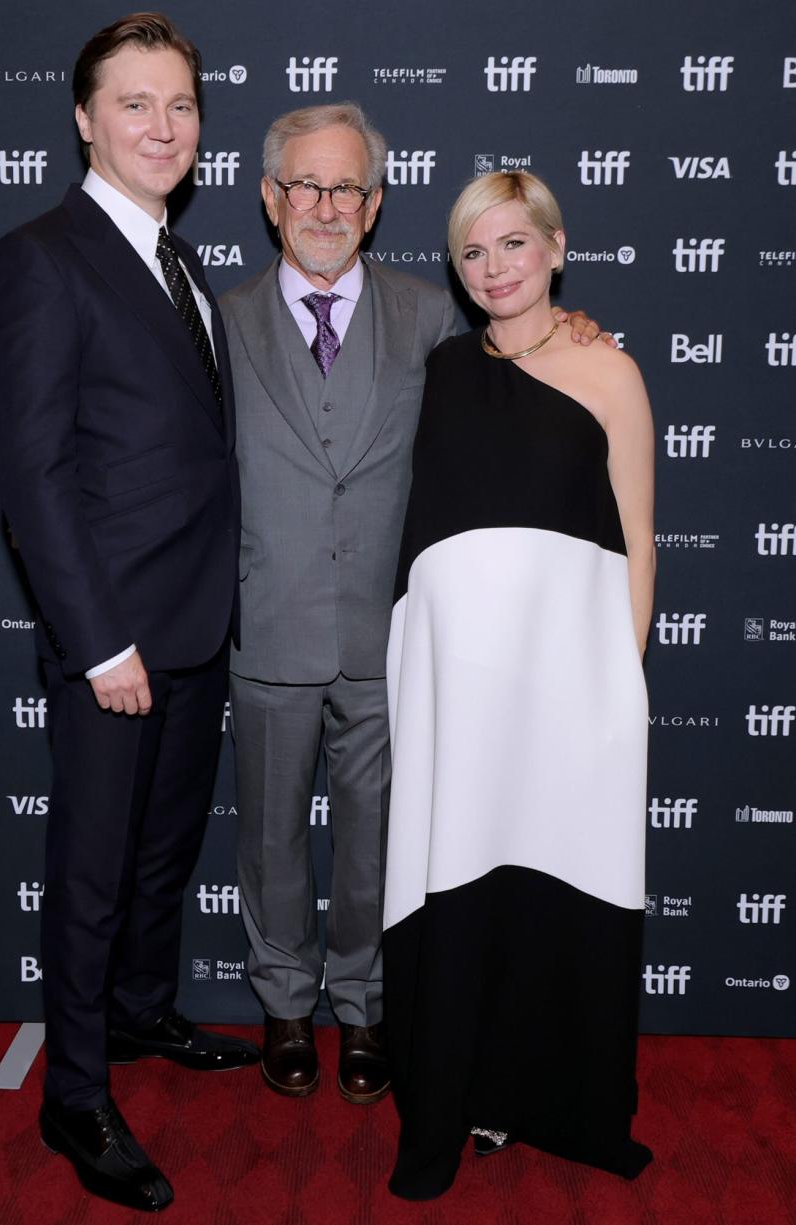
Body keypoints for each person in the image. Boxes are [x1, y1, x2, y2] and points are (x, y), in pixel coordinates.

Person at [219, 107, 609, 1106]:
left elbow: (517, 378)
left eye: (344, 188)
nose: (322, 206)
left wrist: (571, 329)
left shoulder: (430, 315)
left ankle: (362, 1004)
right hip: (269, 625)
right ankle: (284, 1004)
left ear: (374, 204)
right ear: (269, 198)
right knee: (267, 838)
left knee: (375, 839)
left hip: (389, 634)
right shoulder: (223, 322)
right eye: (302, 186)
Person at [0, 13, 257, 1213]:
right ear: (86, 120)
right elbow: (33, 476)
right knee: (91, 873)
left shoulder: (183, 260)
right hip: (115, 640)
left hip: (199, 625)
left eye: (181, 106)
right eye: (135, 103)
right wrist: (98, 641)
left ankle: (142, 1014)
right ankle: (75, 1095)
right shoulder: (42, 256)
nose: (162, 125)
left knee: (161, 853)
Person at [383, 170, 656, 1199]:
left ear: (555, 246)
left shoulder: (608, 371)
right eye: (472, 252)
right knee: (462, 893)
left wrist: (614, 690)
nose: (493, 268)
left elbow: (636, 542)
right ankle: (458, 1096)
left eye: (512, 245)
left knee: (551, 893)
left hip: (567, 696)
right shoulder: (441, 368)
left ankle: (549, 1096)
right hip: (458, 702)